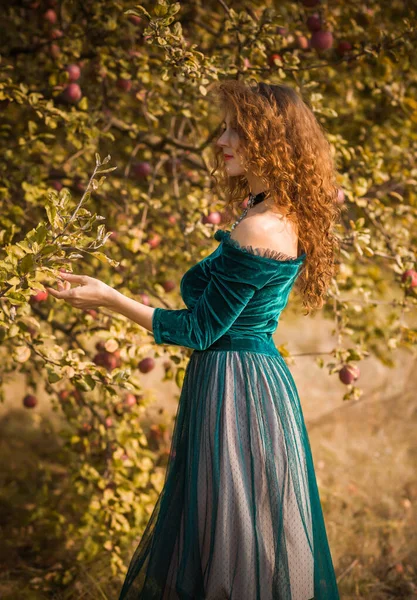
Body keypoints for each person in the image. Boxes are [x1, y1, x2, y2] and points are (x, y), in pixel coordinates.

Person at [47, 80, 341, 599]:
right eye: (224, 127)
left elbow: (201, 329)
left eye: (236, 130)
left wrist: (111, 298)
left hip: (238, 387)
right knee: (228, 528)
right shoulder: (262, 210)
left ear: (269, 139)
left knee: (236, 537)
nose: (222, 139)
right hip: (237, 379)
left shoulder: (262, 228)